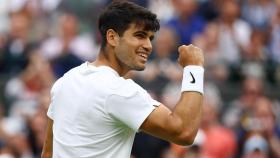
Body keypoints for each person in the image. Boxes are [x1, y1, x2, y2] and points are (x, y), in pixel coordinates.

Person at [41, 1, 204, 158]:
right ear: (112, 37)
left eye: (150, 38)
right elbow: (184, 132)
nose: (148, 45)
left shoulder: (64, 82)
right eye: (140, 35)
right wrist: (194, 67)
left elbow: (48, 154)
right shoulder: (118, 90)